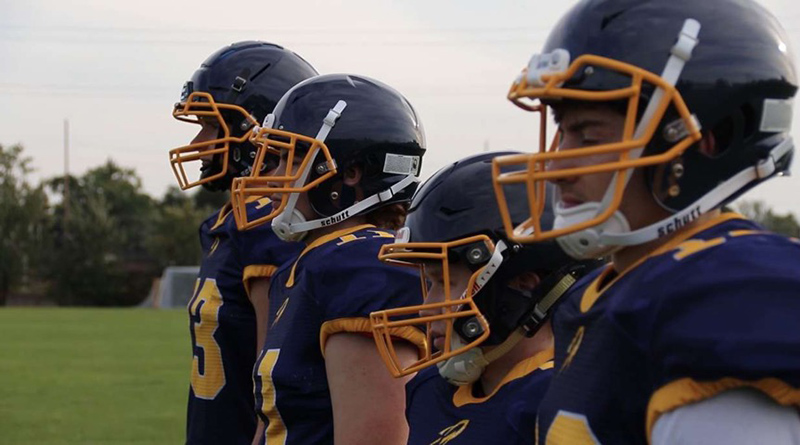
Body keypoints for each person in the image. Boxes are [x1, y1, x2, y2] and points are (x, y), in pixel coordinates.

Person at [490, 0, 800, 443]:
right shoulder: (609, 289)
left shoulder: (724, 297)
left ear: (709, 142)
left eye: (590, 135)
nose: (558, 162)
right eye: (563, 129)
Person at [230, 73, 427, 444]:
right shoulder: (306, 263)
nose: (268, 177)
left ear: (348, 174)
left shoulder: (363, 265)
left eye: (285, 159)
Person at [369, 153, 600, 444]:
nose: (426, 308)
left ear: (521, 286)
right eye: (429, 283)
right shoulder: (430, 389)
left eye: (446, 283)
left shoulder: (562, 403)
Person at [169, 41, 317, 444]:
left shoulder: (269, 224)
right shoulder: (227, 224)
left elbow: (271, 389)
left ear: (257, 129)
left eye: (211, 125)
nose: (199, 142)